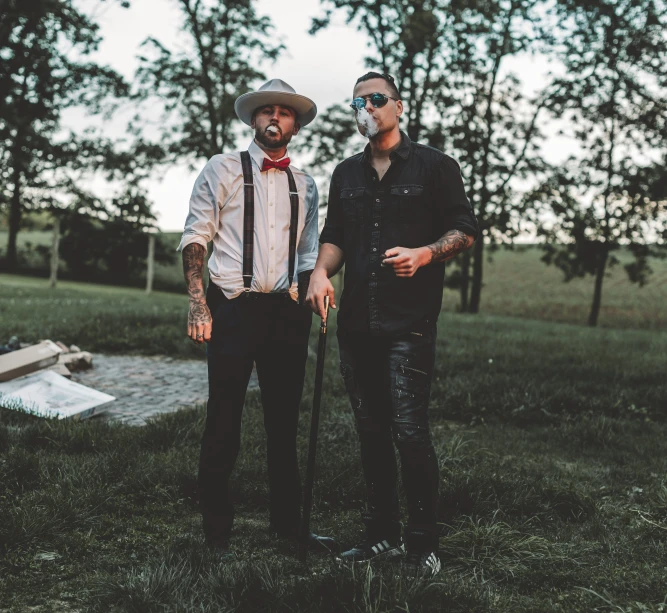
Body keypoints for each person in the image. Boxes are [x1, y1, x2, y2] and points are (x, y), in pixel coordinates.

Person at [306, 72, 479, 577]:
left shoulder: (435, 167)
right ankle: (381, 534)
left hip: (410, 322)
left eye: (376, 99)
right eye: (358, 101)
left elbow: (465, 229)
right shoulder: (346, 174)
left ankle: (422, 543)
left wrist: (426, 253)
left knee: (409, 431)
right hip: (357, 323)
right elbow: (335, 236)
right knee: (371, 431)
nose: (367, 107)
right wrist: (320, 272)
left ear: (398, 107)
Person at [178, 78, 335, 557]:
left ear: (294, 125)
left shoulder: (305, 184)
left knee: (283, 423)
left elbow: (308, 252)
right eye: (266, 111)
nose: (275, 118)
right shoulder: (221, 168)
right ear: (253, 120)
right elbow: (195, 235)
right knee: (223, 419)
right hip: (232, 307)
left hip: (287, 313)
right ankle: (217, 533)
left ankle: (289, 527)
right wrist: (198, 301)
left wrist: (317, 285)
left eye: (284, 113)